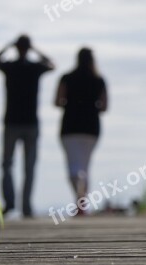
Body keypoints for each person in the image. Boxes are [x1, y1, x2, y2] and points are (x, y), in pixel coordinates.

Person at [0, 35, 55, 217]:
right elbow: (51, 64)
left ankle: (12, 204)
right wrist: (36, 49)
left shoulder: (10, 67)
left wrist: (6, 46)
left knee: (7, 165)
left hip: (12, 122)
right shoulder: (34, 67)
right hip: (28, 123)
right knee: (28, 167)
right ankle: (25, 206)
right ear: (27, 48)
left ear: (17, 48)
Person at [55, 48, 109, 215]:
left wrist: (71, 104)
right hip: (91, 127)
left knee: (73, 165)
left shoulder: (66, 78)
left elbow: (57, 101)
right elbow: (105, 106)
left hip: (70, 126)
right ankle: (82, 200)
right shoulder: (98, 80)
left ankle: (79, 196)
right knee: (85, 165)